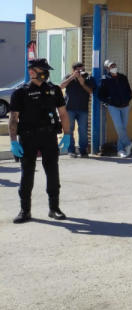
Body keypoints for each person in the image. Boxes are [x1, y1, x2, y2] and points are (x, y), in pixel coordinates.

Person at [10, 59, 72, 223]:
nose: (46, 73)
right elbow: (13, 119)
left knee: (52, 172)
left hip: (49, 136)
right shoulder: (20, 92)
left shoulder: (54, 90)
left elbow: (63, 114)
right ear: (32, 72)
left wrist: (67, 134)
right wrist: (13, 141)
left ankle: (54, 208)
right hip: (28, 138)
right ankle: (25, 210)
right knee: (27, 173)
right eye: (43, 70)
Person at [97, 60, 132, 158]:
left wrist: (128, 99)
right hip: (113, 107)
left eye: (114, 65)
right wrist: (108, 102)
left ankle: (121, 150)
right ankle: (128, 144)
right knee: (119, 126)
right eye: (111, 66)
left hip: (125, 106)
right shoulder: (104, 79)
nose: (113, 67)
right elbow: (100, 95)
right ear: (107, 68)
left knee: (123, 128)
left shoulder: (123, 77)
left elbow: (129, 90)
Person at [60, 61, 95, 158]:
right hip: (69, 108)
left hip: (83, 108)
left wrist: (82, 83)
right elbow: (61, 86)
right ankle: (71, 151)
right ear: (74, 70)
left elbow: (91, 91)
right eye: (79, 70)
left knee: (83, 130)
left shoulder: (87, 77)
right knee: (69, 130)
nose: (81, 72)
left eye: (83, 70)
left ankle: (83, 151)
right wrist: (72, 77)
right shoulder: (68, 77)